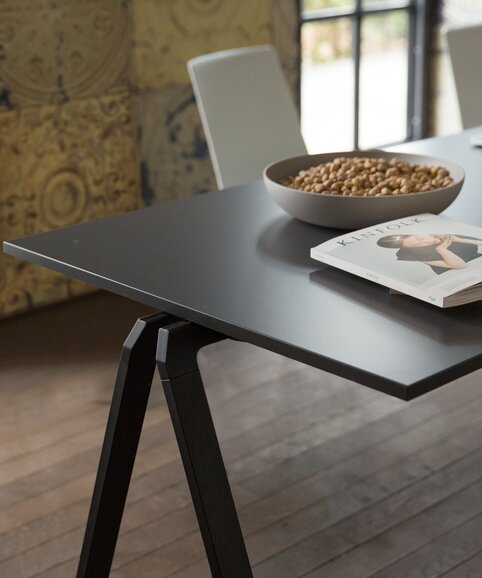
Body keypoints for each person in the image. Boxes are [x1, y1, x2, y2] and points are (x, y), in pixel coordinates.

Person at [377, 234, 482, 274]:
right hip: (459, 275)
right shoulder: (419, 255)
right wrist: (441, 249)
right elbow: (462, 265)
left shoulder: (439, 236)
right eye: (418, 245)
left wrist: (460, 239)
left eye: (420, 238)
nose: (426, 241)